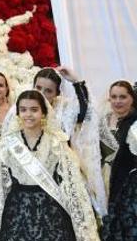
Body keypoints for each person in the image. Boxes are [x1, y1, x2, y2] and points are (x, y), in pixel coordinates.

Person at [0, 90, 114, 241]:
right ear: (18, 113)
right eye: (24, 110)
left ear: (44, 113)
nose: (28, 114)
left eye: (34, 109)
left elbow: (72, 182)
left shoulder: (57, 143)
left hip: (52, 210)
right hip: (16, 211)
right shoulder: (6, 145)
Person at [27, 67, 106, 214]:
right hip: (31, 174)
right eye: (38, 88)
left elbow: (85, 112)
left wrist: (76, 83)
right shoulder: (23, 109)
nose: (42, 94)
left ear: (57, 93)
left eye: (48, 91)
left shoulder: (64, 110)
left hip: (61, 174)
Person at [101, 81, 137, 241]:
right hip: (109, 187)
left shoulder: (134, 123)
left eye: (122, 97)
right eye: (113, 97)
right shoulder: (106, 120)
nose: (117, 101)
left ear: (132, 98)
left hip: (130, 194)